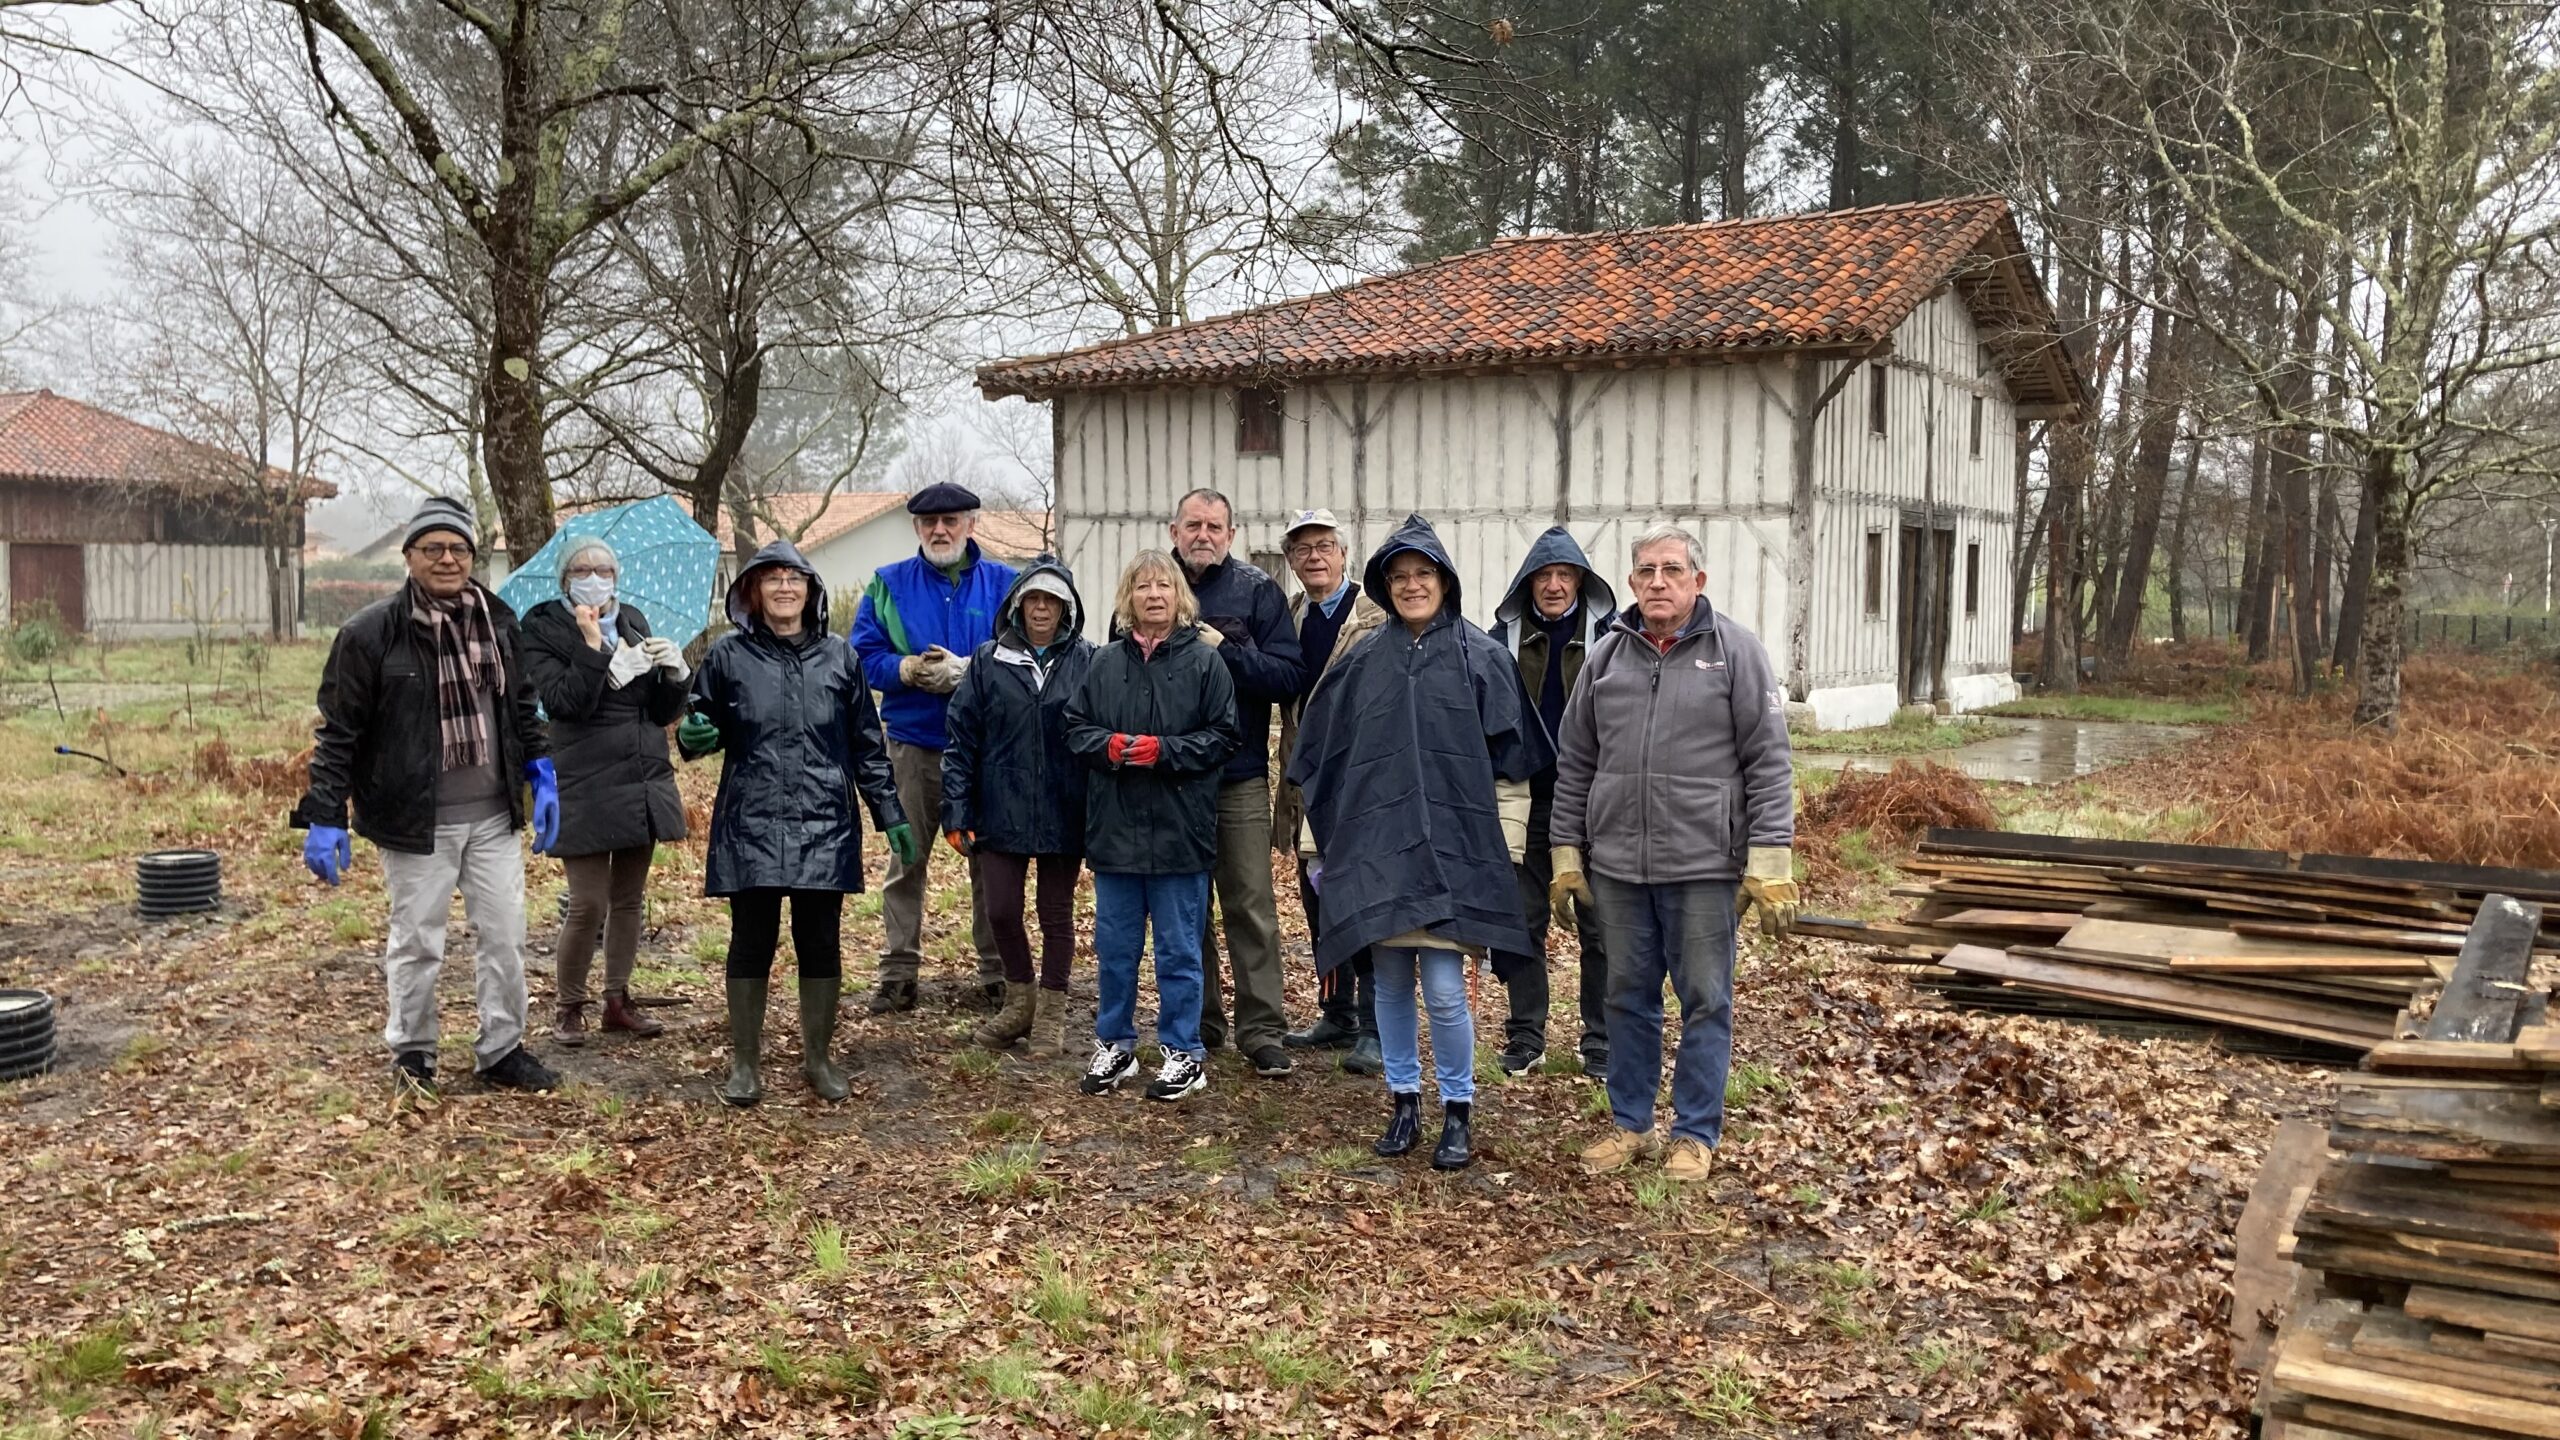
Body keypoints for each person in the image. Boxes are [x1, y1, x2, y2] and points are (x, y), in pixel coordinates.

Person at [1287, 515, 1548, 1172]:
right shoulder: (1361, 666)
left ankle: (1457, 1108)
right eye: (1399, 577)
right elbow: (1328, 764)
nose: (1411, 586)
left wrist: (1507, 854)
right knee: (1391, 986)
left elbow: (1514, 766)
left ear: (1444, 581)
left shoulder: (1482, 657)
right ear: (1384, 585)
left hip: (1458, 853)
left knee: (1443, 986)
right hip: (1378, 852)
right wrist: (1321, 848)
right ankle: (1404, 1100)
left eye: (1422, 575)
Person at [1550, 523, 1798, 1183]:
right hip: (1621, 869)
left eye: (1672, 570)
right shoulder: (1606, 657)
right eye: (1646, 572)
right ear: (1630, 584)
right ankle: (1631, 1125)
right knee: (1627, 996)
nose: (1658, 582)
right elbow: (1574, 762)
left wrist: (1770, 860)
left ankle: (1694, 1134)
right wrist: (1567, 853)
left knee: (1706, 999)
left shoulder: (1737, 653)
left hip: (1704, 866)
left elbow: (1769, 764)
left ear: (1698, 581)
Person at [291, 495, 560, 1095]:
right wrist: (325, 814)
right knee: (417, 943)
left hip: (492, 816)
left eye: (458, 548)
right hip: (415, 820)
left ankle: (502, 1049)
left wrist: (540, 764)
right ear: (409, 556)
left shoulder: (499, 621)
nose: (447, 559)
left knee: (506, 936)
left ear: (472, 556)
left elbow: (521, 705)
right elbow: (339, 734)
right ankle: (413, 1053)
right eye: (432, 548)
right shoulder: (369, 635)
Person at [679, 539, 915, 1106]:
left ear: (811, 591)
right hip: (752, 818)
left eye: (795, 578)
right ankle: (744, 1063)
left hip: (824, 820)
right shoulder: (727, 656)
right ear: (753, 593)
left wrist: (890, 812)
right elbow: (698, 718)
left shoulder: (841, 658)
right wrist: (693, 738)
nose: (785, 587)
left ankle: (818, 1057)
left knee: (820, 940)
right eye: (772, 579)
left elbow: (866, 744)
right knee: (750, 940)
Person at [1065, 550, 1240, 1104]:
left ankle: (1184, 1052)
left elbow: (1224, 736)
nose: (1155, 595)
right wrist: (1110, 746)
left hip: (1179, 832)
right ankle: (1114, 1044)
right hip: (1115, 833)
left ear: (1179, 596)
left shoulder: (1205, 662)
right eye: (1143, 587)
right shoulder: (1103, 663)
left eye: (1164, 585)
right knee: (1115, 949)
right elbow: (1074, 727)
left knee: (1178, 949)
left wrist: (1166, 751)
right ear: (1129, 598)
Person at [849, 483, 1020, 1014]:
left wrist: (972, 669)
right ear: (916, 528)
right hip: (913, 743)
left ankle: (996, 970)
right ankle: (899, 970)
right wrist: (900, 670)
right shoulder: (887, 585)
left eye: (950, 521)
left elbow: (1024, 649)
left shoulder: (1006, 584)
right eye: (929, 523)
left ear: (971, 524)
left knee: (989, 860)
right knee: (906, 855)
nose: (939, 531)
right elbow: (860, 656)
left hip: (985, 747)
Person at [518, 537, 692, 1046]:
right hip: (583, 776)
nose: (595, 576)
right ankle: (569, 1004)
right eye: (582, 568)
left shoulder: (634, 618)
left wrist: (675, 674)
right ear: (564, 577)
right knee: (588, 901)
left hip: (641, 774)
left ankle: (617, 999)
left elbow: (659, 712)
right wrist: (598, 655)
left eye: (604, 569)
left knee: (628, 900)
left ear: (617, 576)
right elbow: (563, 702)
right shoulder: (544, 625)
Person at [1168, 488, 1306, 1078]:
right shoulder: (1151, 585)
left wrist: (1228, 651)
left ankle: (1262, 1029)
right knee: (1184, 910)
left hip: (1239, 776)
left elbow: (1287, 675)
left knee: (1249, 905)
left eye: (1214, 526)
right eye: (1193, 524)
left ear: (1230, 533)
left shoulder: (1256, 592)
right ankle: (1199, 1021)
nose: (1203, 534)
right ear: (1174, 530)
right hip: (1170, 781)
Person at [941, 557, 1096, 1059]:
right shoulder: (988, 661)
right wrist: (957, 811)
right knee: (1001, 910)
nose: (1042, 608)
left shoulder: (1088, 661)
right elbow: (961, 740)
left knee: (1055, 913)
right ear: (1017, 605)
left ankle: (1051, 1014)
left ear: (1067, 608)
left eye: (1051, 600)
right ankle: (1019, 1000)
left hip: (1064, 807)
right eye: (1033, 599)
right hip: (999, 806)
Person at [1485, 527, 1618, 1077]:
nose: (1555, 586)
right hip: (1526, 797)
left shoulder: (1612, 639)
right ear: (1528, 584)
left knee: (1601, 923)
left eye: (1565, 576)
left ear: (1582, 584)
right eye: (1544, 577)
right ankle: (1525, 1034)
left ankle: (1602, 1040)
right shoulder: (1500, 642)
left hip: (1594, 802)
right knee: (1521, 919)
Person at [1269, 508, 1389, 1074]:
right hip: (1303, 777)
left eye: (1324, 546)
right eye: (1302, 549)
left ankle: (1375, 1024)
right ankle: (1335, 1011)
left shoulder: (1374, 616)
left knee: (1362, 900)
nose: (1313, 557)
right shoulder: (1289, 616)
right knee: (1315, 898)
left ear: (1343, 553)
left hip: (1359, 779)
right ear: (1291, 562)